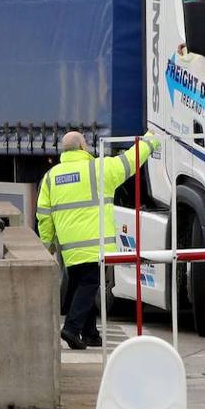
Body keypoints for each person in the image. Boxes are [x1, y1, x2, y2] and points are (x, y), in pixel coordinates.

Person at [36, 130, 158, 350]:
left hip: (70, 249)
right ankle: (72, 329)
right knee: (89, 284)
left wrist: (49, 245)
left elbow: (43, 215)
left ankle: (90, 333)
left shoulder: (50, 176)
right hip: (95, 245)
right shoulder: (98, 168)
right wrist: (151, 140)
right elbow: (131, 159)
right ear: (82, 147)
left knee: (79, 284)